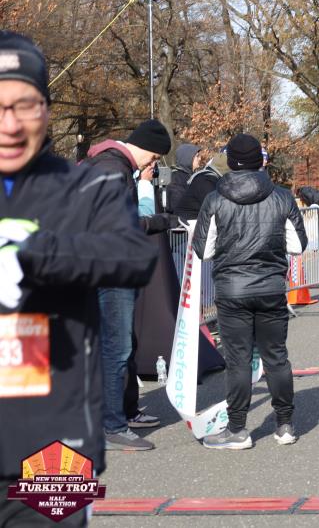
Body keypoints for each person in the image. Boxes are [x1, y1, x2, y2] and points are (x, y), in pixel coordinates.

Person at [0, 32, 157, 525]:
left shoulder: (87, 184)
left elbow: (130, 254)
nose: (10, 124)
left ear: (46, 111)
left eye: (25, 105)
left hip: (55, 430)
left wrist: (40, 253)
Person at [192, 134, 307, 450]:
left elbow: (203, 251)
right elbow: (297, 246)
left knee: (238, 361)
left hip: (232, 290)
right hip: (270, 287)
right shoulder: (281, 197)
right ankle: (285, 425)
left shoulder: (215, 199)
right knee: (276, 357)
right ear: (260, 161)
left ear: (230, 162)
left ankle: (238, 430)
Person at [84, 118, 173, 450]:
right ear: (146, 148)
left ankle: (117, 415)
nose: (152, 164)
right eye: (154, 157)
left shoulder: (107, 165)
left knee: (118, 346)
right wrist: (158, 222)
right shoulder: (113, 169)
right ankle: (112, 426)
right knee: (116, 349)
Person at [173, 150, 229, 226]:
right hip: (186, 224)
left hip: (195, 221)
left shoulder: (208, 178)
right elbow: (215, 207)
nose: (200, 159)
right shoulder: (206, 180)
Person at [164, 142, 201, 214]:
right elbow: (177, 206)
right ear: (187, 157)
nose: (200, 159)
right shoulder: (177, 179)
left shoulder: (190, 176)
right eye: (197, 156)